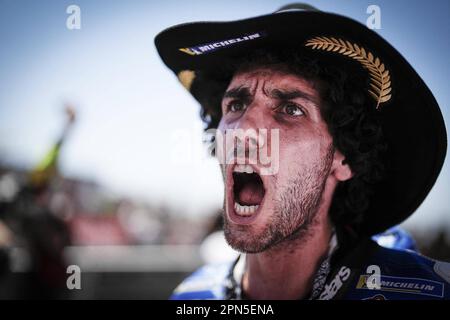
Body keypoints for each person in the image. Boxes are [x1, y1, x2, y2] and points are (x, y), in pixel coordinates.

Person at [155, 4, 450, 299]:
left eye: (290, 109)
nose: (242, 129)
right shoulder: (190, 297)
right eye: (236, 105)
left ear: (344, 155)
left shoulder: (423, 293)